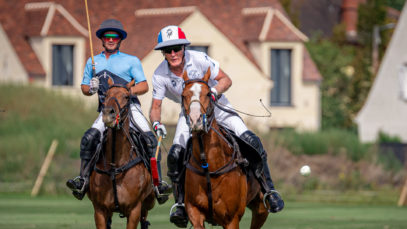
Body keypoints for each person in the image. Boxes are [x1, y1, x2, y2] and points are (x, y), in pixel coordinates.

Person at [149, 25, 284, 228]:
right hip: (190, 115)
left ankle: (268, 190)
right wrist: (157, 123)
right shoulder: (160, 75)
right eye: (168, 50)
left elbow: (225, 79)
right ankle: (179, 204)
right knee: (175, 155)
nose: (173, 53)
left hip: (219, 108)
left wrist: (212, 92)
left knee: (252, 141)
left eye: (177, 48)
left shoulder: (200, 59)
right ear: (163, 53)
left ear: (184, 48)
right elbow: (156, 106)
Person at [66, 19, 170, 202]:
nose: (111, 39)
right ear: (102, 39)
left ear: (120, 39)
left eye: (115, 36)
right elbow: (84, 88)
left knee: (150, 139)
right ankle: (82, 180)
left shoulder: (131, 61)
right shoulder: (93, 61)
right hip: (106, 111)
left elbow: (144, 85)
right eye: (107, 36)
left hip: (130, 108)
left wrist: (127, 91)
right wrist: (90, 88)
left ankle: (157, 183)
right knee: (88, 139)